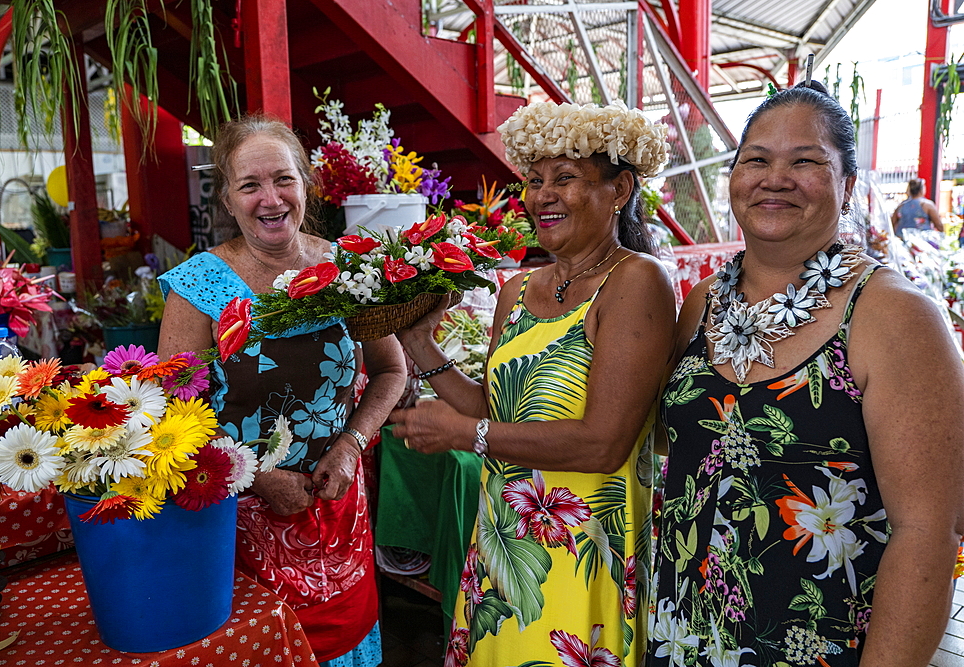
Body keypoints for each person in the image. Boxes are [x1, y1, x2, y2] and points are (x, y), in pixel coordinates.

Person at [649, 82, 964, 666]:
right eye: (757, 160)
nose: (776, 178)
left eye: (806, 162)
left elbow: (927, 534)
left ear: (846, 188)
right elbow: (673, 445)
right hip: (682, 637)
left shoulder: (893, 315)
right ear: (734, 179)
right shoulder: (701, 304)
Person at [390, 101, 676, 667]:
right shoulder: (516, 288)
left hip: (583, 551)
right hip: (503, 539)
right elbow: (496, 411)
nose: (541, 194)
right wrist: (420, 344)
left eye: (565, 178)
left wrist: (467, 434)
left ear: (620, 190)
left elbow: (603, 443)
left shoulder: (637, 281)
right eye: (533, 179)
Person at [158, 115, 406, 667]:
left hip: (338, 508)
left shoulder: (347, 268)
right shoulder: (199, 287)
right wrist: (259, 477)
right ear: (227, 198)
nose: (270, 199)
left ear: (306, 183)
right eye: (250, 185)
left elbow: (392, 370)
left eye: (283, 179)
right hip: (241, 526)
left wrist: (350, 446)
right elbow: (171, 419)